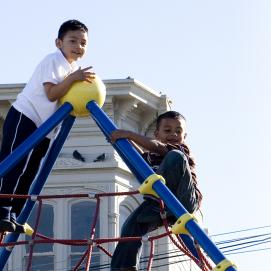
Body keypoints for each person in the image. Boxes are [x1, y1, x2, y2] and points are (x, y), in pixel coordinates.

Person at [0, 19, 95, 233]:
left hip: (46, 129)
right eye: (73, 41)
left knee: (31, 171)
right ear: (58, 42)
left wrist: (76, 79)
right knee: (15, 163)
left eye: (83, 43)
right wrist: (73, 79)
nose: (78, 47)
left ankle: (14, 212)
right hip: (26, 115)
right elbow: (51, 94)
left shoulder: (73, 69)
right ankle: (3, 208)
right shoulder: (54, 60)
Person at [110, 111, 202, 271]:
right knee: (131, 226)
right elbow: (139, 157)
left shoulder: (181, 149)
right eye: (167, 130)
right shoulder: (152, 157)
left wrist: (129, 134)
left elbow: (158, 147)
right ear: (156, 134)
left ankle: (158, 198)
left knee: (176, 156)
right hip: (159, 205)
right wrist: (122, 141)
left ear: (184, 136)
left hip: (183, 200)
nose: (173, 134)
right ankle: (125, 267)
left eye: (178, 131)